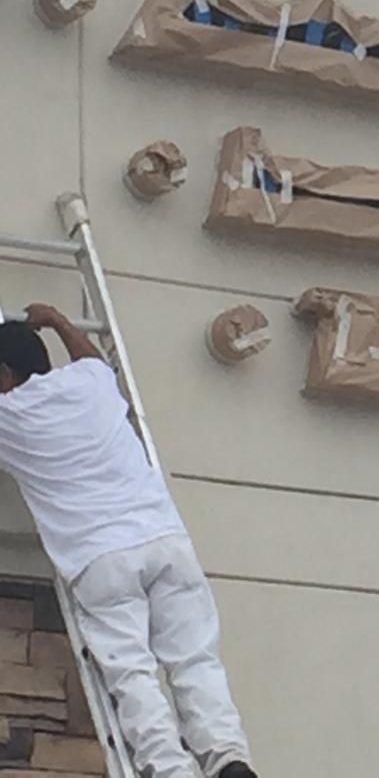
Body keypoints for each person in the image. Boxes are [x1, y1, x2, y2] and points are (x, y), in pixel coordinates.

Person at [0, 306, 256, 778]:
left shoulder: (8, 415)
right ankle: (227, 758)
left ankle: (171, 771)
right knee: (195, 658)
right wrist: (57, 320)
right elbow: (91, 356)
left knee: (132, 674)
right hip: (164, 538)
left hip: (102, 558)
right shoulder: (90, 384)